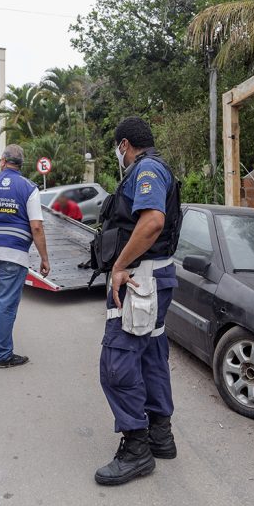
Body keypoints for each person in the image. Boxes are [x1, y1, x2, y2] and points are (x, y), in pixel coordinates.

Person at [92, 117, 182, 486]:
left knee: (117, 360)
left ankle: (136, 449)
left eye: (118, 149)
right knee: (150, 353)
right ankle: (160, 435)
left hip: (139, 278)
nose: (119, 154)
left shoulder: (146, 169)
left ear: (125, 144)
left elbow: (152, 223)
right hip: (153, 276)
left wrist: (119, 264)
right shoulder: (156, 168)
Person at [0, 144, 51, 368]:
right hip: (14, 254)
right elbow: (36, 228)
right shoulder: (29, 188)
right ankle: (3, 355)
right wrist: (44, 258)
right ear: (20, 165)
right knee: (5, 304)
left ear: (2, 162)